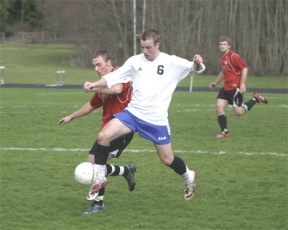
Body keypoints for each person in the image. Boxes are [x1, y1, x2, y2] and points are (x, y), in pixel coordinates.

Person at [83, 29, 206, 209]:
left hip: (156, 120)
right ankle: (100, 180)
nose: (145, 51)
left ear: (158, 45)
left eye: (148, 47)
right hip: (133, 114)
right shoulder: (134, 61)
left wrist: (197, 63)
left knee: (167, 159)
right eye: (142, 47)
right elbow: (113, 77)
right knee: (103, 136)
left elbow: (195, 69)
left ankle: (189, 177)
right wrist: (94, 84)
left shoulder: (171, 61)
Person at [58, 49, 136, 214]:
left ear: (109, 62)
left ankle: (98, 204)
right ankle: (126, 171)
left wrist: (93, 87)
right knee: (91, 165)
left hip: (122, 129)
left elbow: (116, 89)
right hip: (106, 132)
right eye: (94, 66)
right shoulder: (101, 84)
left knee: (96, 168)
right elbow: (91, 105)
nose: (96, 69)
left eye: (99, 64)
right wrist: (71, 116)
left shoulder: (120, 72)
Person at [209, 35, 268, 138]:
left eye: (224, 44)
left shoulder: (233, 56)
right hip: (225, 88)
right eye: (220, 44)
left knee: (239, 112)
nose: (222, 46)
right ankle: (225, 132)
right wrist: (215, 83)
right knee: (219, 107)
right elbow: (224, 72)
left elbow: (244, 68)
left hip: (235, 89)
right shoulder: (222, 59)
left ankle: (255, 98)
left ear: (229, 46)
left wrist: (242, 84)